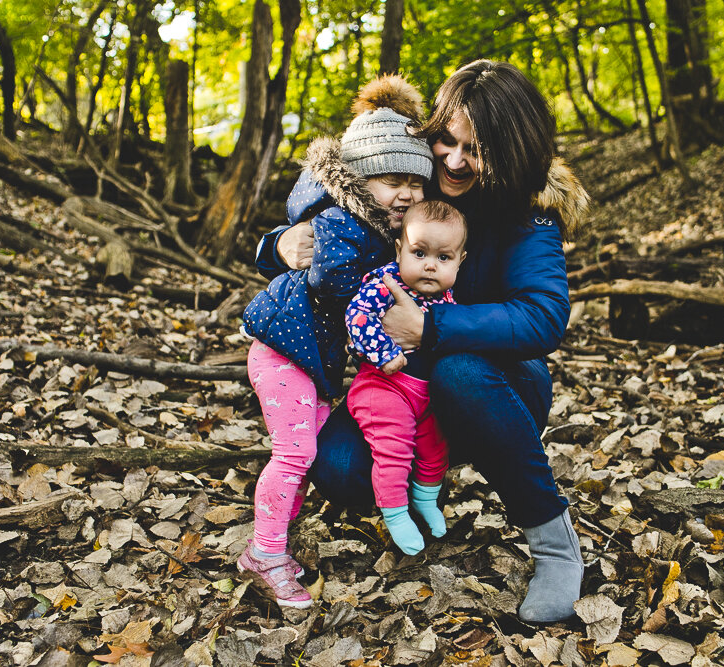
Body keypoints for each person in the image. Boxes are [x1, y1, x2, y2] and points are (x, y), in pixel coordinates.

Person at [255, 60, 589, 623]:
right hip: (398, 380)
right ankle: (419, 483)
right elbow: (337, 214)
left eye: (475, 149)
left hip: (496, 381)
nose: (454, 161)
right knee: (336, 465)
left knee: (458, 371)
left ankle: (554, 542)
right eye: (446, 140)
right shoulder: (413, 180)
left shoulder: (529, 213)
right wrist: (282, 242)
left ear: (509, 151)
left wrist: (433, 329)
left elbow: (545, 315)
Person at [237, 74, 434, 608]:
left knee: (310, 450)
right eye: (394, 179)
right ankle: (264, 553)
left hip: (308, 355)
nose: (409, 193)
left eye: (417, 182)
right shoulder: (347, 222)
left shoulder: (368, 222)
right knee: (295, 452)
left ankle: (274, 540)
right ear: (362, 180)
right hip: (284, 351)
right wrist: (386, 277)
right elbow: (329, 280)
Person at [345, 200, 467, 555]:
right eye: (419, 253)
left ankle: (425, 499)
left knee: (435, 448)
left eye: (444, 258)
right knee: (394, 450)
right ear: (400, 250)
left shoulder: (447, 299)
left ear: (460, 261)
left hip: (425, 391)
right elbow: (358, 317)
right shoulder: (385, 283)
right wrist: (384, 352)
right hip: (383, 387)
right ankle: (396, 513)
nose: (430, 264)